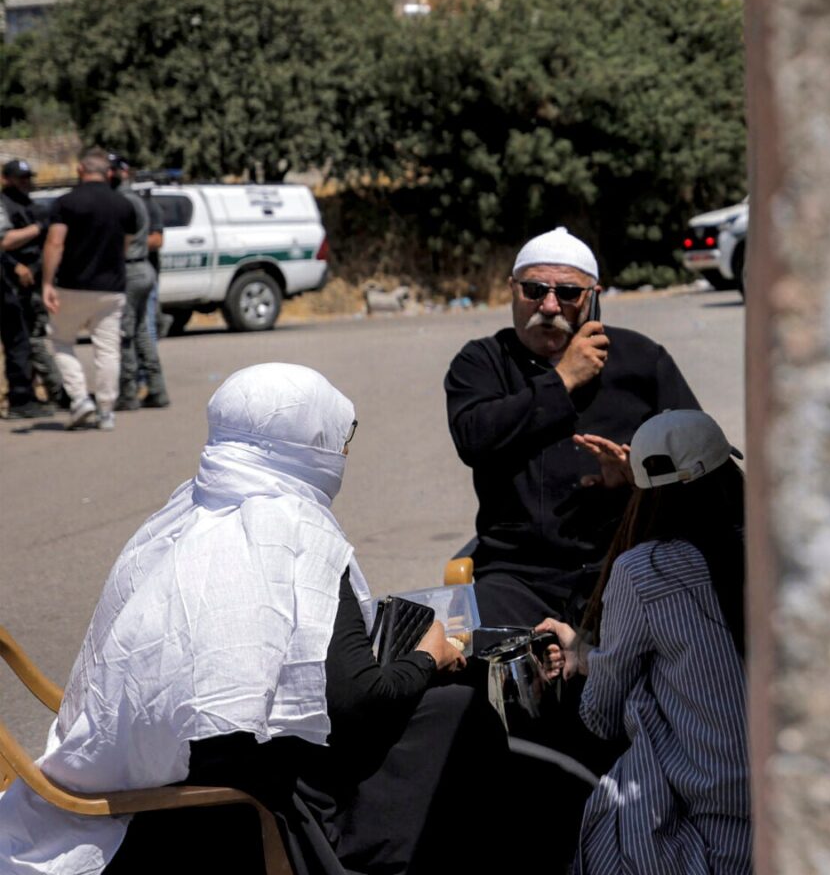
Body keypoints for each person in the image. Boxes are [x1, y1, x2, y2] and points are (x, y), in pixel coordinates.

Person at [0, 363, 508, 875]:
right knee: (456, 713)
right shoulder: (294, 534)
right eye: (337, 437)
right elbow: (359, 703)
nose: (344, 451)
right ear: (305, 443)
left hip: (160, 760)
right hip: (242, 794)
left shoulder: (177, 517)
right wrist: (429, 652)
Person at [444, 226, 702, 630]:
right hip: (518, 574)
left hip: (624, 564)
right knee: (470, 680)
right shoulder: (482, 362)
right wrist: (562, 379)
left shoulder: (641, 360)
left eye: (567, 293)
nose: (549, 305)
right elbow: (473, 439)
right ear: (513, 291)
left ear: (593, 299)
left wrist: (638, 483)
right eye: (534, 290)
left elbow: (702, 463)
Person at [536, 410, 751, 875]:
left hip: (707, 830)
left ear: (644, 496)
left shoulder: (643, 571)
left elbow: (601, 716)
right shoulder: (774, 545)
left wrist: (588, 659)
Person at [41, 148, 141, 431]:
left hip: (71, 286)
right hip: (111, 289)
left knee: (61, 341)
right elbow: (126, 244)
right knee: (108, 350)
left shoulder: (66, 203)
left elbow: (55, 242)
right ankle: (106, 410)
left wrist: (47, 282)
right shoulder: (124, 205)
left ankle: (80, 399)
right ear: (108, 173)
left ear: (80, 171)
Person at [0, 159, 57, 418]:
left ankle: (29, 394)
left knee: (28, 339)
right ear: (7, 179)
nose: (26, 182)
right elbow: (4, 242)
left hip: (31, 281)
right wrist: (15, 265)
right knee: (19, 343)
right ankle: (21, 399)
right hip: (11, 280)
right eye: (20, 178)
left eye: (28, 178)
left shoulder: (31, 205)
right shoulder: (4, 205)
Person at [112, 156, 168, 411]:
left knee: (125, 333)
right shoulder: (137, 199)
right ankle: (156, 388)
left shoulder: (121, 201)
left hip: (130, 270)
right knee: (142, 330)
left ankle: (129, 391)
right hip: (143, 268)